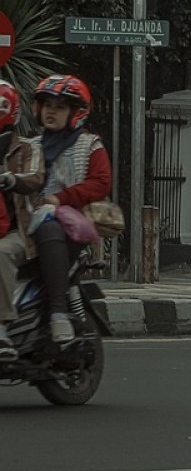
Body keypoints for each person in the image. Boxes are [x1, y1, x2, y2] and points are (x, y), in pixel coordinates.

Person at [28, 74, 113, 344]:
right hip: (27, 220)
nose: (51, 111)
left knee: (49, 228)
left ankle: (58, 313)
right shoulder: (29, 147)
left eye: (60, 106)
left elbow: (100, 183)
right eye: (47, 105)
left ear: (76, 113)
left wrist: (60, 199)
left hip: (69, 224)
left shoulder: (89, 145)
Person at [0, 80, 45, 360]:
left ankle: (1, 329)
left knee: (0, 253)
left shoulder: (27, 149)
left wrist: (12, 179)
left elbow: (35, 178)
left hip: (19, 233)